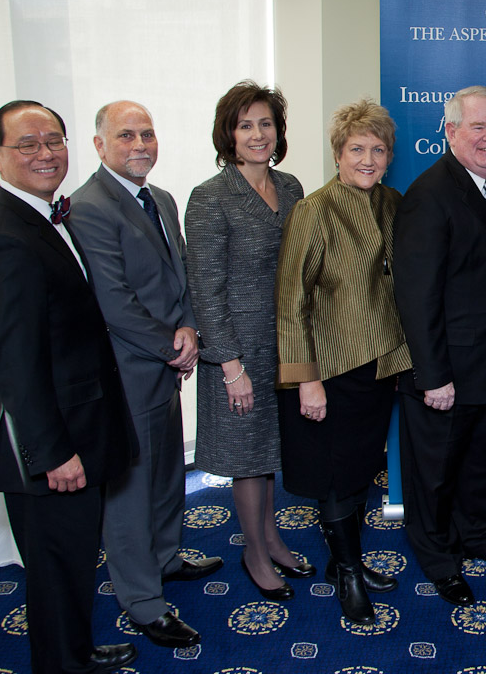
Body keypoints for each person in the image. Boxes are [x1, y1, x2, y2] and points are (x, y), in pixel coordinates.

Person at [0, 100, 138, 674]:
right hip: (50, 446)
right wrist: (53, 453)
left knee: (71, 565)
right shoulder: (2, 240)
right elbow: (14, 365)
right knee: (55, 569)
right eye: (28, 144)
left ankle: (77, 650)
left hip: (81, 429)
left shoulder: (43, 216)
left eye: (54, 140)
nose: (46, 153)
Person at [70, 100, 222, 650]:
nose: (140, 145)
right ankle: (141, 600)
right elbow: (113, 301)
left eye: (148, 134)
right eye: (127, 135)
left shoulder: (160, 198)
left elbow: (178, 275)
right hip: (127, 370)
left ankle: (165, 557)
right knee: (131, 489)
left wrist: (187, 330)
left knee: (165, 473)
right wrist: (170, 346)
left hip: (165, 361)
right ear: (100, 145)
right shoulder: (86, 206)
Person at [276, 98, 408, 625]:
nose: (368, 159)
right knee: (332, 475)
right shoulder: (313, 210)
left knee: (356, 469)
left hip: (378, 367)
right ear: (337, 153)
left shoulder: (393, 203)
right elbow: (291, 302)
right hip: (328, 369)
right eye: (357, 149)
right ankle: (349, 574)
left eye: (378, 149)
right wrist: (306, 380)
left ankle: (342, 561)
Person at [394, 86, 486, 609]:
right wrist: (433, 375)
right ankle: (438, 560)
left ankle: (478, 538)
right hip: (446, 370)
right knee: (434, 474)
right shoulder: (428, 195)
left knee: (484, 464)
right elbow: (416, 294)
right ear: (450, 132)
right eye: (478, 127)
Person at [186, 81, 309, 601]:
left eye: (266, 123)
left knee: (270, 452)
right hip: (236, 350)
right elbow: (205, 290)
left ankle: (272, 536)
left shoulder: (293, 187)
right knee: (245, 457)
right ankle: (255, 552)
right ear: (228, 135)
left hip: (285, 345)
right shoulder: (210, 197)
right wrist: (230, 365)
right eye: (245, 125)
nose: (258, 134)